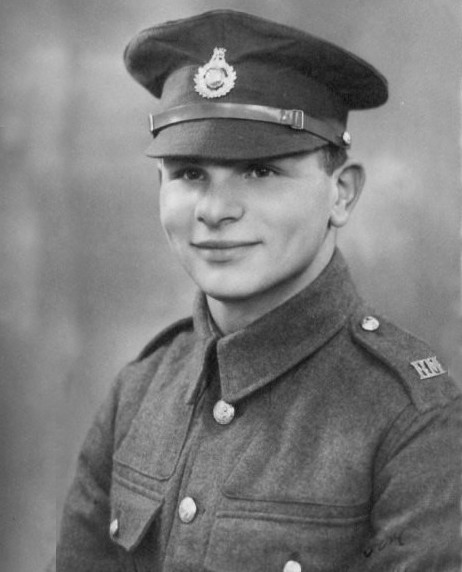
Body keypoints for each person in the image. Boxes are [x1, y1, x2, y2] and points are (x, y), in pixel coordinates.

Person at [55, 9, 461, 571]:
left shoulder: (414, 419)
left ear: (341, 193)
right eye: (189, 173)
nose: (215, 211)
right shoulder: (139, 391)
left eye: (260, 171)